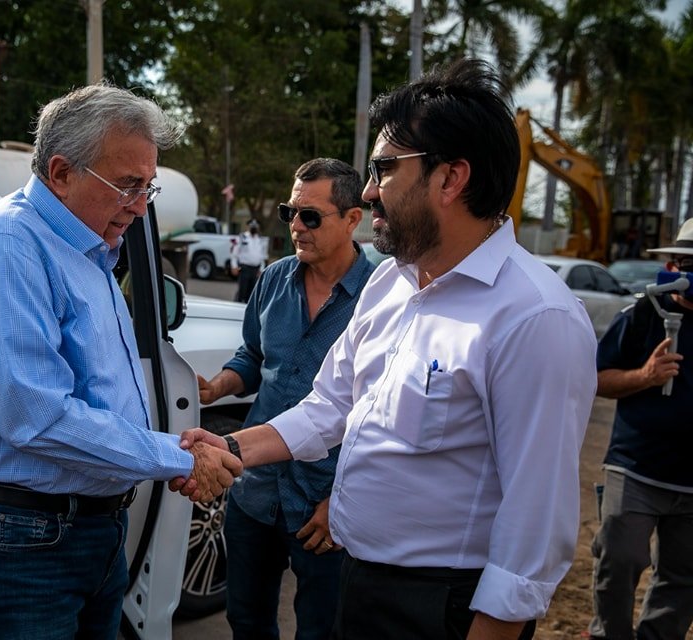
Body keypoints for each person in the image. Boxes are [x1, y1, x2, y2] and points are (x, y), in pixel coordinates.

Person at [172, 58, 598, 639]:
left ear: (451, 179)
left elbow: (534, 527)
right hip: (357, 581)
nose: (369, 191)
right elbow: (328, 407)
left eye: (383, 169)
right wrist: (227, 445)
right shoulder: (391, 282)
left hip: (442, 606)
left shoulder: (534, 316)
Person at [0, 83, 242, 639]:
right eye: (127, 186)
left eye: (149, 187)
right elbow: (36, 416)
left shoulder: (86, 248)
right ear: (62, 172)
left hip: (76, 531)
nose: (141, 207)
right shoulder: (9, 246)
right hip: (17, 537)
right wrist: (178, 456)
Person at [198, 158, 375, 639]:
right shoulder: (274, 279)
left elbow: (383, 415)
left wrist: (342, 500)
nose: (296, 226)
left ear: (352, 219)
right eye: (290, 212)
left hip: (324, 504)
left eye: (310, 215)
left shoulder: (380, 297)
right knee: (247, 620)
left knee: (321, 630)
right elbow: (253, 357)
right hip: (255, 492)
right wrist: (218, 386)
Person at [588, 218, 693, 640]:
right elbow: (595, 379)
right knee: (620, 557)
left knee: (682, 578)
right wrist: (645, 376)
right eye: (677, 262)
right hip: (636, 467)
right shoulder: (643, 313)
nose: (679, 272)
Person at [231, 218, 268, 303]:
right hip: (244, 268)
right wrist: (234, 266)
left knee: (252, 294)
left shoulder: (261, 240)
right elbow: (234, 253)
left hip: (255, 270)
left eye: (256, 226)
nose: (254, 228)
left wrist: (261, 269)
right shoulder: (242, 237)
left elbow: (263, 256)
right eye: (252, 226)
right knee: (242, 291)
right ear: (248, 226)